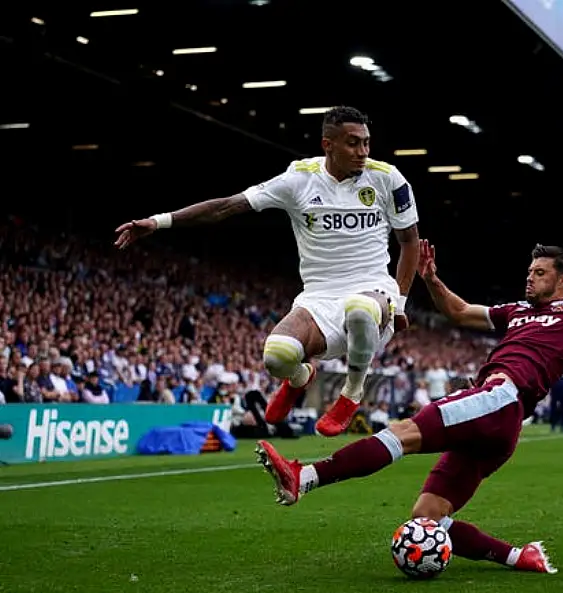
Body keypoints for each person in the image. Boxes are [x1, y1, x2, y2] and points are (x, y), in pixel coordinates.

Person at [255, 240, 563, 574]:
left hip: (500, 398)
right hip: (499, 425)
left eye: (538, 273)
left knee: (403, 432)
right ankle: (519, 557)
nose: (528, 279)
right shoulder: (515, 312)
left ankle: (308, 477)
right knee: (428, 518)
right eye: (529, 272)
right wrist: (430, 277)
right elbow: (458, 311)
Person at [113, 106, 420, 437]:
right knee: (277, 357)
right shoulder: (299, 179)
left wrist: (400, 303)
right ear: (327, 145)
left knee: (359, 310)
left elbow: (410, 242)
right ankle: (301, 377)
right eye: (353, 143)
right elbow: (227, 206)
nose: (362, 152)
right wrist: (159, 221)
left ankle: (352, 392)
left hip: (372, 288)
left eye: (366, 143)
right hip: (319, 296)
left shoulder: (388, 178)